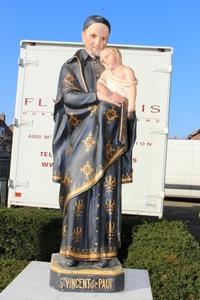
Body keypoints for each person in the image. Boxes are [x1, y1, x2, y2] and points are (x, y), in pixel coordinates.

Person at [52, 15, 137, 268]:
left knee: (105, 196)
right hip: (79, 141)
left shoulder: (112, 67)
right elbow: (69, 98)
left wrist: (128, 111)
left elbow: (126, 96)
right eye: (93, 36)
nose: (98, 42)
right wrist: (99, 95)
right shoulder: (71, 66)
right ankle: (71, 251)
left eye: (103, 38)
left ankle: (103, 254)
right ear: (83, 36)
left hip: (109, 144)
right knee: (78, 195)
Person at [97, 47, 138, 117]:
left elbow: (132, 88)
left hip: (122, 102)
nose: (105, 61)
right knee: (101, 108)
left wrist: (131, 105)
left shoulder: (127, 71)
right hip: (110, 100)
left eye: (107, 57)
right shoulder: (106, 73)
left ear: (116, 55)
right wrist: (107, 92)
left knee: (104, 108)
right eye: (102, 60)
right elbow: (99, 84)